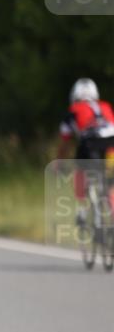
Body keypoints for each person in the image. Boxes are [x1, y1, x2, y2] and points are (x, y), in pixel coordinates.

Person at [57, 78, 114, 226]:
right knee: (109, 184)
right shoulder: (105, 106)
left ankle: (83, 208)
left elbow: (65, 143)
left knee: (80, 170)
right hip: (111, 146)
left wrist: (60, 163)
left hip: (91, 145)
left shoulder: (74, 110)